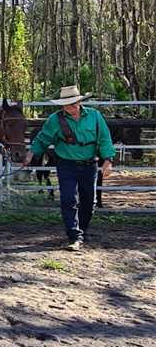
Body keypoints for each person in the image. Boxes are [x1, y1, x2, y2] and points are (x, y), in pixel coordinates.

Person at [23, 85, 115, 252]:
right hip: (66, 164)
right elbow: (43, 138)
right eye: (66, 104)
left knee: (89, 201)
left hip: (89, 164)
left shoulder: (95, 116)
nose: (69, 107)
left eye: (73, 103)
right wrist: (30, 154)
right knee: (68, 199)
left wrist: (108, 159)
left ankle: (82, 231)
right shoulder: (55, 120)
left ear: (79, 102)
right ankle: (74, 235)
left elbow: (104, 138)